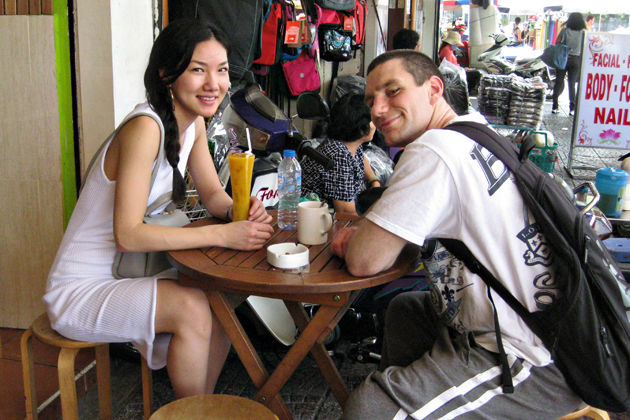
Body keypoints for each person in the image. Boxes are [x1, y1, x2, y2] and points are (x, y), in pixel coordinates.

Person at [331, 50, 582, 419]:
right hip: (537, 327)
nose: (378, 109)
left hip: (531, 357)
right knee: (404, 310)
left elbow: (365, 260)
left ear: (433, 88)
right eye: (371, 100)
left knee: (370, 409)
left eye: (393, 91)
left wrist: (356, 239)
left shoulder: (434, 150)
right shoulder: (474, 129)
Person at [43, 19, 274, 399]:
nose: (213, 83)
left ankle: (200, 406)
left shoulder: (193, 124)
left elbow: (215, 198)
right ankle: (193, 409)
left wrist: (240, 210)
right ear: (167, 74)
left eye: (222, 70)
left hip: (125, 276)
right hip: (81, 290)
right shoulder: (145, 128)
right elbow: (128, 235)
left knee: (217, 299)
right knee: (193, 309)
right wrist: (223, 233)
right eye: (198, 70)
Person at [301, 93, 380, 215]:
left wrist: (374, 180)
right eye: (372, 120)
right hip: (318, 219)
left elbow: (360, 158)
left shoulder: (351, 143)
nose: (376, 124)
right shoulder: (338, 156)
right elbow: (345, 211)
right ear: (361, 129)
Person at [552, 12, 587, 116]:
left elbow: (557, 42)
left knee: (558, 82)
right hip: (576, 60)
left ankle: (555, 107)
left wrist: (564, 45)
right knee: (572, 84)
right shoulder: (584, 32)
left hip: (564, 58)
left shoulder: (565, 30)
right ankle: (572, 108)